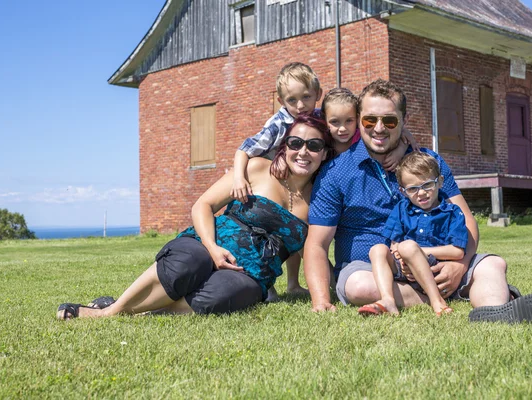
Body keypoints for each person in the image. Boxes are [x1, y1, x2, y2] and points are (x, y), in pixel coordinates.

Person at [303, 79, 532, 323]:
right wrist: (321, 299)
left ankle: (494, 312)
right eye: (370, 119)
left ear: (404, 121)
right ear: (359, 120)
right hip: (370, 269)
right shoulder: (335, 173)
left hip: (436, 259)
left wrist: (459, 265)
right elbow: (317, 243)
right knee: (358, 286)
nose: (378, 128)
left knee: (492, 264)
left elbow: (466, 219)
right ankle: (451, 295)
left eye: (390, 121)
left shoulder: (428, 161)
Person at [56, 115, 334, 320]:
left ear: (324, 153)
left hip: (252, 272)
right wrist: (212, 248)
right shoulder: (257, 168)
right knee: (190, 262)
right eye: (296, 142)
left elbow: (315, 250)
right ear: (284, 146)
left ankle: (139, 313)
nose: (303, 151)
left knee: (232, 293)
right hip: (208, 241)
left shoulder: (321, 199)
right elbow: (204, 204)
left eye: (313, 145)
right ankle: (109, 312)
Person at [231, 61, 323, 300]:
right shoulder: (278, 124)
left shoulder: (319, 118)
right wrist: (239, 177)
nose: (301, 105)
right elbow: (245, 148)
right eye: (292, 100)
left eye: (306, 97)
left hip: (300, 184)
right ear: (282, 102)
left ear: (318, 95)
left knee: (296, 231)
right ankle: (268, 285)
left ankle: (293, 284)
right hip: (272, 187)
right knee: (269, 236)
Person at [360, 152, 467, 317]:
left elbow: (457, 251)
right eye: (412, 189)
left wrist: (417, 252)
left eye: (427, 185)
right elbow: (394, 244)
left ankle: (437, 301)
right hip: (405, 268)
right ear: (403, 191)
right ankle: (388, 300)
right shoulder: (402, 209)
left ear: (440, 182)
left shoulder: (452, 212)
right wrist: (401, 256)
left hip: (433, 270)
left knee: (408, 246)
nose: (421, 193)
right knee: (377, 249)